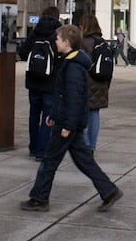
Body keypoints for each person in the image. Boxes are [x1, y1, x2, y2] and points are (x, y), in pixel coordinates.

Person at [21, 24, 124, 212]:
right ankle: (109, 191)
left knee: (49, 161)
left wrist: (66, 124)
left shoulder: (73, 67)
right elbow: (63, 95)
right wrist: (53, 115)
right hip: (67, 121)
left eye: (58, 39)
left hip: (67, 124)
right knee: (84, 161)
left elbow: (75, 98)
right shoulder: (70, 61)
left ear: (67, 43)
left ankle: (39, 198)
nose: (55, 42)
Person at [18, 6, 61, 160]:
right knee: (47, 117)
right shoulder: (57, 34)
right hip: (50, 82)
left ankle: (33, 146)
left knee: (33, 115)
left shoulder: (35, 33)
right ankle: (42, 151)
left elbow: (22, 52)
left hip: (33, 81)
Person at [79, 14, 112, 151]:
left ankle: (86, 145)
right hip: (101, 83)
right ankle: (92, 146)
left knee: (81, 114)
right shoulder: (103, 42)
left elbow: (81, 64)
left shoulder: (84, 43)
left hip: (87, 83)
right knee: (94, 114)